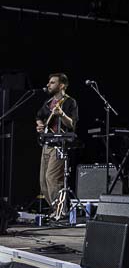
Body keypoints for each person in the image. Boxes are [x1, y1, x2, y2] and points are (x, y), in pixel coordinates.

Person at [35, 73, 79, 208]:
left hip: (59, 146)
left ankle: (60, 211)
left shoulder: (70, 102)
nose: (48, 85)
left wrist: (62, 114)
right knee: (43, 182)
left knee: (52, 179)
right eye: (49, 82)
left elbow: (72, 124)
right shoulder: (48, 103)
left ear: (61, 85)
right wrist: (40, 125)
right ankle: (55, 209)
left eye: (52, 82)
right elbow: (38, 116)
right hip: (46, 144)